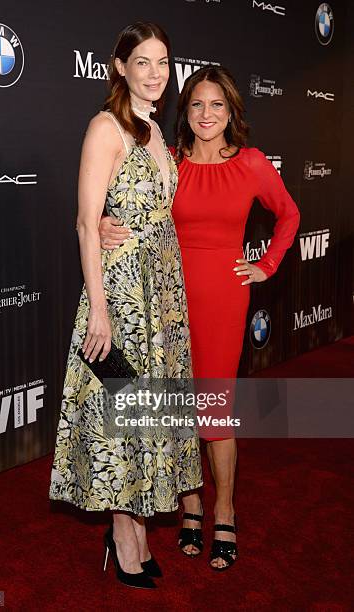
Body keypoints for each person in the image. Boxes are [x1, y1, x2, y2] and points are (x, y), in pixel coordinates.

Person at [99, 65, 300, 571]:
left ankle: (224, 509)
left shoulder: (251, 163)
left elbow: (289, 214)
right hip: (168, 296)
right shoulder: (169, 162)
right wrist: (104, 224)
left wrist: (266, 264)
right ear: (183, 112)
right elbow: (133, 206)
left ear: (231, 110)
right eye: (196, 105)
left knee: (214, 409)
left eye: (216, 105)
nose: (206, 114)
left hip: (223, 300)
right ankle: (190, 509)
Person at [49, 22, 202, 589]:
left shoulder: (158, 133)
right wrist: (99, 310)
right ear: (120, 67)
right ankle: (122, 533)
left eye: (163, 62)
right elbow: (89, 223)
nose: (156, 73)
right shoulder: (105, 128)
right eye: (143, 62)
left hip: (161, 293)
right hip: (119, 293)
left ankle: (135, 526)